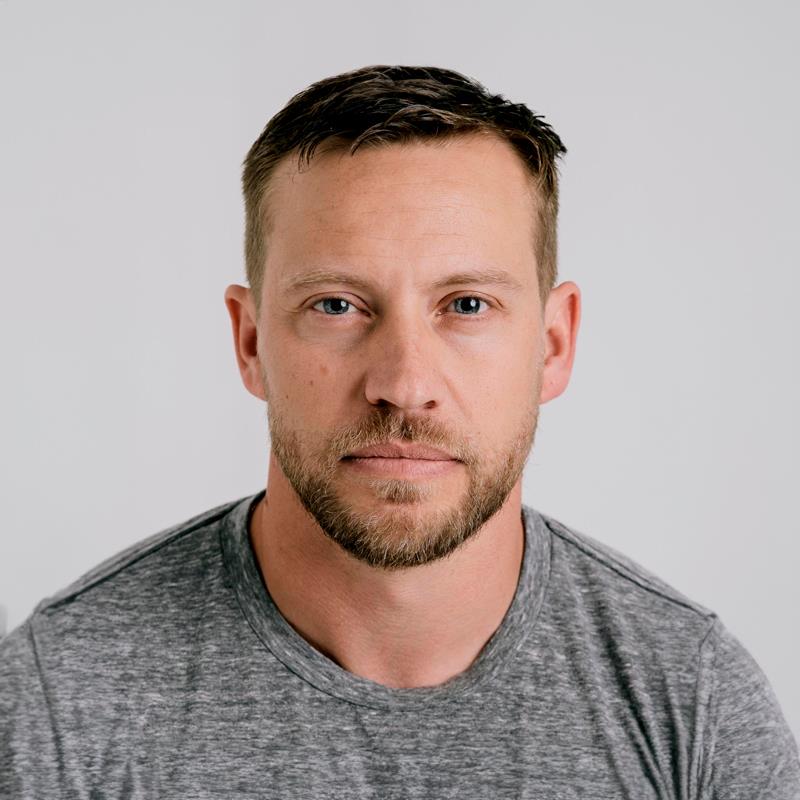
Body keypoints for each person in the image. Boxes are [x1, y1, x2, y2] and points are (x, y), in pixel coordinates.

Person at [1, 64, 798, 799]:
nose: (405, 384)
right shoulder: (59, 702)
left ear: (554, 345)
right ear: (250, 343)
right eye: (337, 305)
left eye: (467, 305)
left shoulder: (692, 702)